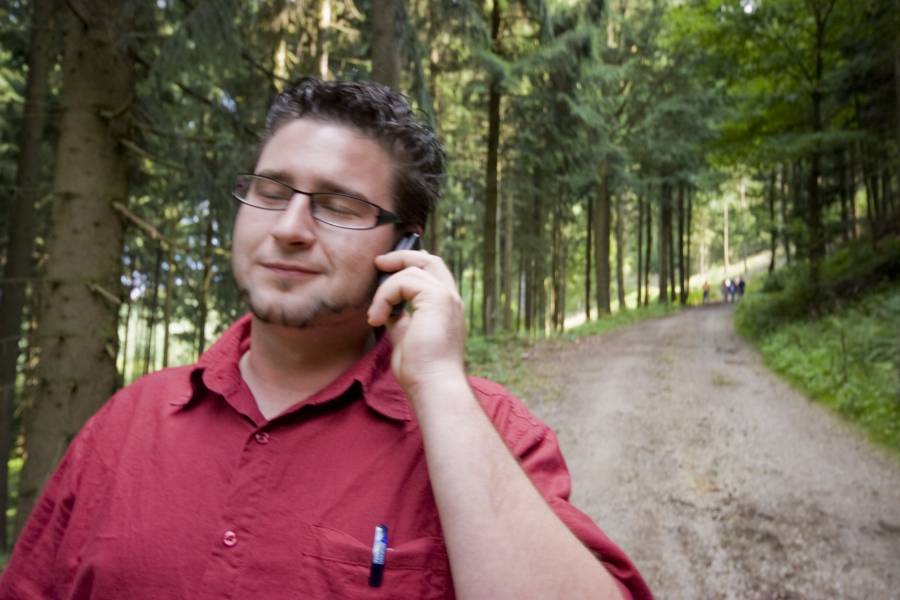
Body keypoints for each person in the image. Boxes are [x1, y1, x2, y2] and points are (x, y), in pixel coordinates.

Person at [0, 78, 652, 600]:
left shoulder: (489, 433)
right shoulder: (127, 424)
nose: (289, 227)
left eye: (338, 205)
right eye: (270, 190)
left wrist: (439, 388)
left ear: (407, 244)